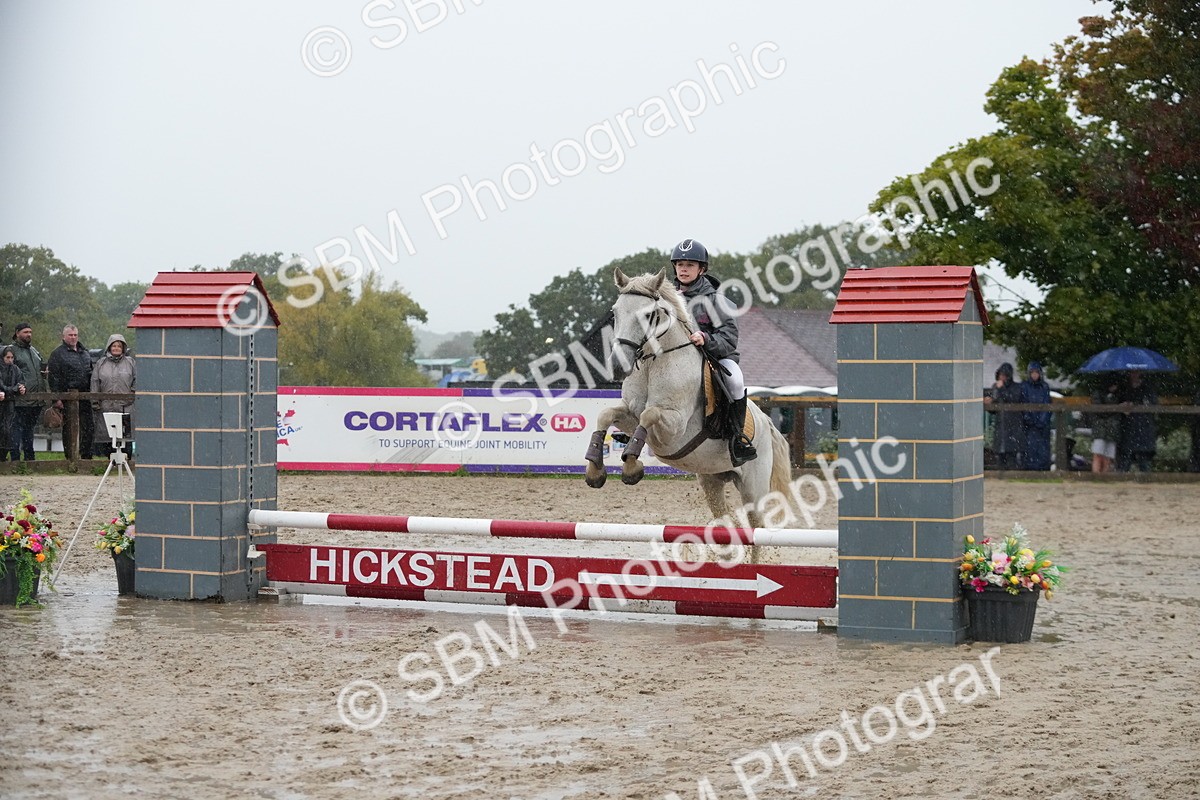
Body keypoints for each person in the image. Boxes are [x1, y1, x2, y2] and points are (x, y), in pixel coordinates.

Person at [669, 238, 757, 466]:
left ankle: (738, 438)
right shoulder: (666, 300)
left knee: (736, 381)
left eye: (690, 265)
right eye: (680, 264)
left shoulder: (717, 301)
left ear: (702, 269)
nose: (684, 269)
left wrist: (706, 338)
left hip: (714, 358)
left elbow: (729, 338)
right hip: (673, 360)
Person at [48, 324, 96, 459]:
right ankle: (70, 457)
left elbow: (90, 373)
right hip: (67, 397)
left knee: (88, 427)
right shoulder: (57, 354)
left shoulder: (85, 352)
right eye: (70, 335)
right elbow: (53, 378)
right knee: (69, 428)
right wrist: (57, 398)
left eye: (75, 335)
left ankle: (86, 456)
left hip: (85, 396)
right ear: (64, 336)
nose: (73, 337)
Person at [91, 333, 136, 458]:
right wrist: (95, 402)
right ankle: (109, 461)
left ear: (123, 348)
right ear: (109, 347)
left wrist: (132, 393)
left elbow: (137, 379)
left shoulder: (131, 363)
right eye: (114, 346)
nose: (116, 348)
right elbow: (95, 382)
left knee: (125, 436)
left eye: (119, 346)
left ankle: (126, 460)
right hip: (106, 407)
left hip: (125, 407)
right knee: (107, 435)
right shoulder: (101, 363)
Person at [9, 322, 46, 462]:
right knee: (16, 430)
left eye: (30, 332)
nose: (28, 334)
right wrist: (16, 387)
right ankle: (15, 459)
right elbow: (8, 372)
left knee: (29, 430)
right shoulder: (11, 350)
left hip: (35, 399)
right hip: (19, 398)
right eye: (25, 332)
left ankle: (30, 459)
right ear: (17, 333)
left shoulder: (34, 351)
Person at [1117, 369, 1157, 472]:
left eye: (1136, 372)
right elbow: (1118, 403)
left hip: (1143, 428)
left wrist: (1135, 404)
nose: (1134, 374)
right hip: (1128, 428)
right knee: (1125, 461)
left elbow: (1152, 404)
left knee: (1144, 461)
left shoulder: (1148, 387)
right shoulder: (1124, 388)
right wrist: (1122, 406)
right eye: (1132, 372)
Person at [984, 362, 1023, 469]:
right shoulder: (995, 387)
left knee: (1012, 455)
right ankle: (1001, 477)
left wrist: (1001, 389)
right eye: (1000, 375)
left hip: (1013, 426)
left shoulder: (1016, 387)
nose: (1002, 377)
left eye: (1004, 375)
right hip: (1000, 425)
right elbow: (995, 407)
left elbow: (1012, 399)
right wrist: (990, 404)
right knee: (1000, 457)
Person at [1020, 361, 1053, 471]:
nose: (1034, 374)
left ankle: (1043, 470)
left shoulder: (1045, 387)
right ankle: (1029, 470)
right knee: (1030, 448)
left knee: (1043, 449)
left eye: (1036, 372)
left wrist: (1042, 421)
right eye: (1032, 372)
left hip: (1042, 425)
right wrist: (1029, 419)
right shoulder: (1024, 386)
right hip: (1029, 425)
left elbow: (1047, 403)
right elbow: (1023, 404)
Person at [1089, 379, 1121, 473]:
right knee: (1098, 454)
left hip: (1112, 429)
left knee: (1108, 456)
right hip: (1101, 429)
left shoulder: (1117, 395)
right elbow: (1100, 411)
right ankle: (1096, 474)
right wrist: (1115, 408)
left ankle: (1105, 475)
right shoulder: (1098, 394)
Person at [0, 346, 25, 461]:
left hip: (10, 404)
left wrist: (21, 388)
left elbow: (21, 382)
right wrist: (10, 390)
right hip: (3, 401)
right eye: (7, 357)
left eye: (12, 357)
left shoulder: (15, 369)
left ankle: (3, 456)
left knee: (7, 430)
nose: (10, 360)